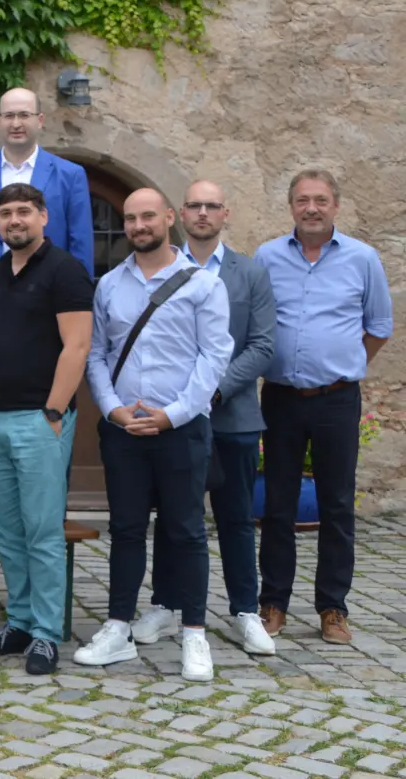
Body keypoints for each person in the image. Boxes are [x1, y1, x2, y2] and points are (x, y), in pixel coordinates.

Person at [76, 188, 231, 682]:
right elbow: (96, 354)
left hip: (181, 429)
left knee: (185, 531)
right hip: (123, 430)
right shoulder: (109, 286)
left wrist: (174, 414)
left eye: (148, 216)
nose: (139, 225)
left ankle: (193, 634)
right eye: (130, 218)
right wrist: (114, 409)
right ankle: (117, 628)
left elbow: (214, 357)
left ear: (169, 217)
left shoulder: (202, 284)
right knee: (125, 530)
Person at [128, 180, 276, 656]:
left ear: (225, 214)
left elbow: (261, 345)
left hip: (230, 416)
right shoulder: (158, 268)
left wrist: (211, 391)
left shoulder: (248, 273)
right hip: (168, 419)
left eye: (212, 206)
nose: (203, 213)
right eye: (194, 205)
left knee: (234, 519)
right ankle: (167, 605)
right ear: (179, 214)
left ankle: (245, 611)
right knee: (174, 518)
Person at [255, 169, 392, 645]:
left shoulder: (363, 258)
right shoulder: (268, 257)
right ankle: (272, 602)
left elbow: (378, 326)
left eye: (320, 200)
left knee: (336, 506)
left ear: (336, 205)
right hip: (280, 398)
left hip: (336, 399)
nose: (311, 208)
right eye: (302, 200)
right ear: (291, 206)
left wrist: (342, 365)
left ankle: (332, 608)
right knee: (277, 505)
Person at [0, 183, 93, 675]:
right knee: (5, 530)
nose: (14, 220)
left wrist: (55, 413)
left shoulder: (66, 271)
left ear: (43, 217)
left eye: (24, 211)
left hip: (40, 420)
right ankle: (17, 621)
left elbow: (76, 346)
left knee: (41, 531)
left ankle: (44, 634)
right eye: (6, 214)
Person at [0, 88, 95, 310]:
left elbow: (80, 244)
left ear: (40, 120)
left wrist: (79, 305)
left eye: (24, 115)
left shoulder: (70, 174)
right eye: (9, 116)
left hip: (49, 297)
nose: (16, 123)